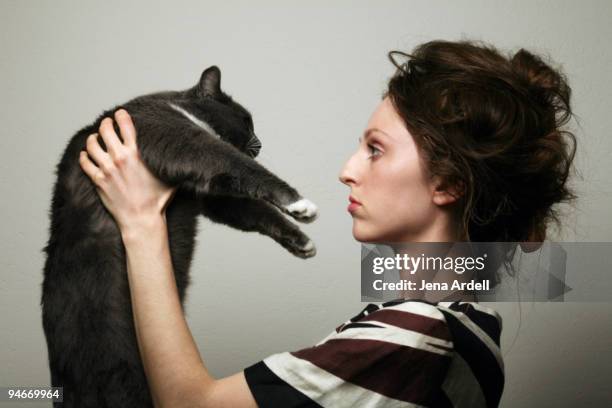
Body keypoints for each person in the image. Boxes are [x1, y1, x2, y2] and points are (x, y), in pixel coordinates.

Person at [78, 39, 576, 407]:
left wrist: (142, 223)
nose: (347, 170)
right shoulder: (476, 328)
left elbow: (189, 406)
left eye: (375, 150)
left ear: (446, 183)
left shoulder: (416, 333)